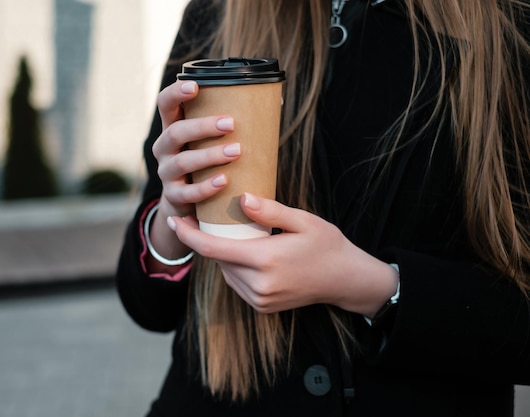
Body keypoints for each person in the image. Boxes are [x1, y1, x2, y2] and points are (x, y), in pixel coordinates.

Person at [116, 0, 530, 415]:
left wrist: (377, 287)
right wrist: (176, 212)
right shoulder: (218, 13)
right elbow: (147, 306)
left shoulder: (508, 24)